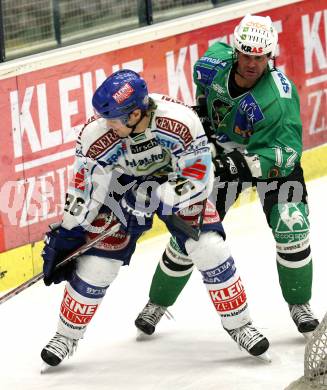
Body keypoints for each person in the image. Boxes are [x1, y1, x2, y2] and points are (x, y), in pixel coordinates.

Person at [40, 69, 269, 369]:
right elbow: (85, 188)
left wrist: (157, 197)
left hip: (174, 184)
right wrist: (70, 230)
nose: (106, 125)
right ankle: (65, 336)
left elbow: (199, 177)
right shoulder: (94, 135)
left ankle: (240, 325)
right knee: (97, 265)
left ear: (136, 113)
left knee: (210, 247)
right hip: (120, 190)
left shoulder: (181, 121)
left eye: (114, 118)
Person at [135, 14, 319, 340]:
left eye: (259, 57)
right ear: (235, 51)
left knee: (292, 223)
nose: (251, 63)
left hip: (271, 161)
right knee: (190, 233)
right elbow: (206, 94)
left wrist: (236, 165)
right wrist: (204, 117)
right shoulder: (211, 63)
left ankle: (299, 305)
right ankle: (157, 302)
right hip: (224, 151)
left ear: (269, 57)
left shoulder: (279, 98)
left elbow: (287, 155)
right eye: (246, 54)